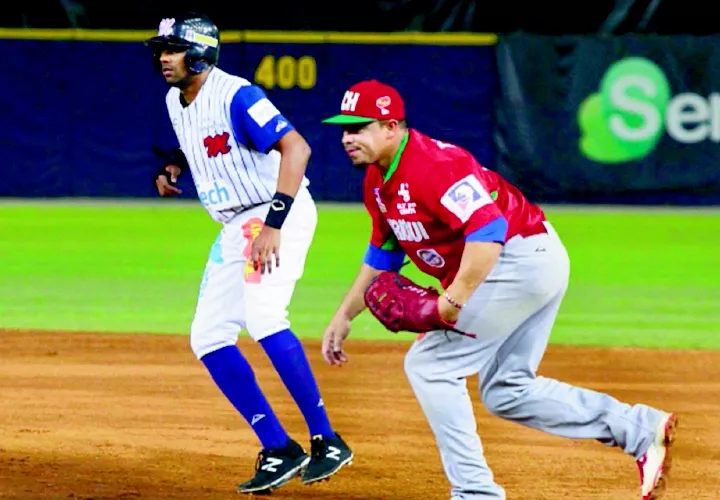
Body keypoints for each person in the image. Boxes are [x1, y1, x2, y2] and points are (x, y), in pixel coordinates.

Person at [319, 79, 677, 500]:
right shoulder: (377, 184)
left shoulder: (435, 165)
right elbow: (383, 256)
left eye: (359, 127)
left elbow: (488, 230)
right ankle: (639, 430)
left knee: (430, 366)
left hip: (516, 259)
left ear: (392, 127)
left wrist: (453, 300)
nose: (348, 137)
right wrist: (344, 315)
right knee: (507, 390)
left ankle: (475, 493)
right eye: (344, 129)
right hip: (526, 260)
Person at [144, 12, 352, 494]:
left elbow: (296, 149)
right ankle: (279, 447)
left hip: (275, 212)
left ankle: (327, 438)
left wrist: (274, 225)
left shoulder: (238, 94)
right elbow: (198, 142)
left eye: (172, 49)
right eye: (161, 50)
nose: (164, 59)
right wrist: (173, 165)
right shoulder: (177, 99)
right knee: (208, 336)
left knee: (263, 317)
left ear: (199, 52)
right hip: (235, 223)